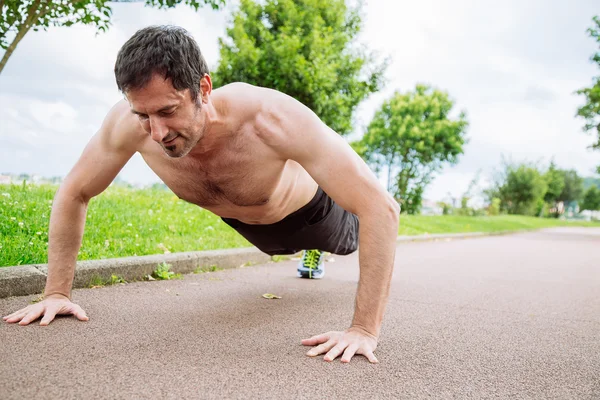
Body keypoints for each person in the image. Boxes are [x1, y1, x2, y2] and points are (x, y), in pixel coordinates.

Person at [3, 25, 400, 364]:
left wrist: (363, 330)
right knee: (274, 242)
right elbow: (74, 191)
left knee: (355, 225)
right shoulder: (128, 127)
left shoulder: (270, 117)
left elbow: (381, 209)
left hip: (315, 217)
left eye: (168, 110)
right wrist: (55, 292)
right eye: (143, 115)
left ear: (203, 88)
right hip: (250, 226)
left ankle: (320, 245)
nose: (157, 133)